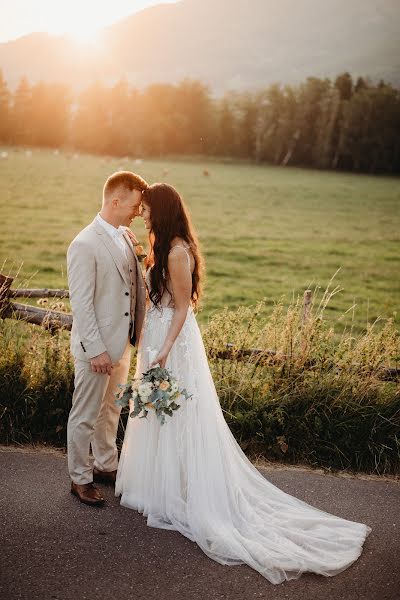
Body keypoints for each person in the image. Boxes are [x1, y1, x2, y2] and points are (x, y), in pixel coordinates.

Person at [115, 183, 371, 584]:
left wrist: (164, 348)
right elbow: (155, 295)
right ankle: (158, 486)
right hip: (156, 341)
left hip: (173, 345)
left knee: (178, 413)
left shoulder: (179, 251)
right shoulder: (161, 245)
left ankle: (184, 491)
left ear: (161, 212)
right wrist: (136, 256)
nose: (142, 214)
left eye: (147, 210)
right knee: (158, 412)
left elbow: (182, 307)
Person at [67, 171, 148, 506]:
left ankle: (105, 464)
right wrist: (96, 350)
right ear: (116, 201)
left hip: (122, 344)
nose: (138, 212)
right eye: (135, 205)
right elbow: (82, 304)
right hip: (96, 349)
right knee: (85, 414)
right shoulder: (84, 244)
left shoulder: (125, 237)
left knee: (111, 409)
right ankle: (79, 478)